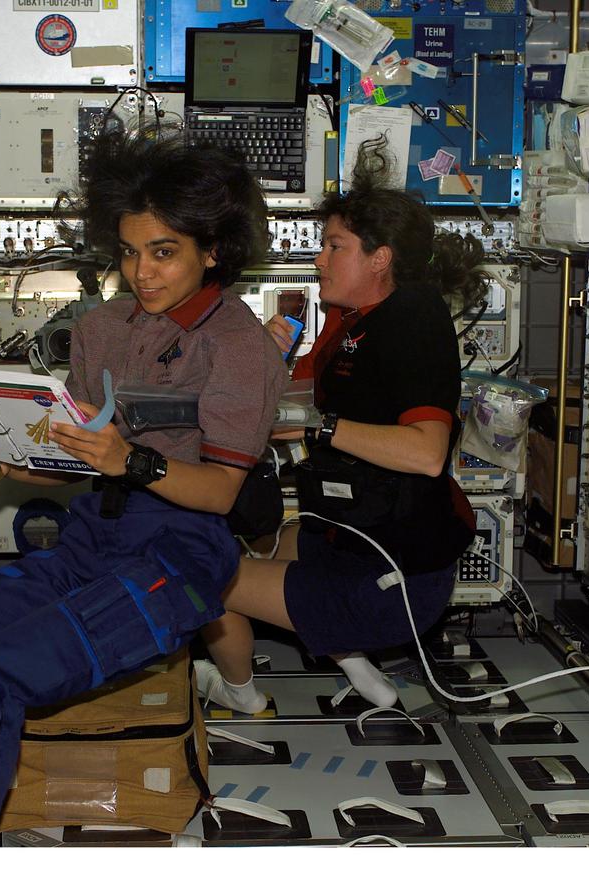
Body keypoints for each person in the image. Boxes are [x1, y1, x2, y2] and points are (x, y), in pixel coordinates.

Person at [0, 130, 289, 846]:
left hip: (176, 559)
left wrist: (132, 462)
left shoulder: (239, 346)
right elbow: (75, 458)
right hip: (92, 544)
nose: (141, 272)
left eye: (162, 252)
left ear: (212, 251)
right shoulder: (103, 328)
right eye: (129, 252)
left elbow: (223, 493)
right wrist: (3, 461)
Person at [195, 150, 485, 714]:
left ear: (380, 258)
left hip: (393, 575)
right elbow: (286, 409)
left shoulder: (414, 318)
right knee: (251, 543)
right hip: (351, 538)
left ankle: (240, 693)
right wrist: (267, 359)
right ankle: (359, 668)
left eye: (335, 246)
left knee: (204, 573)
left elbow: (427, 453)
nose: (319, 258)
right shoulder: (349, 323)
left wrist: (321, 426)